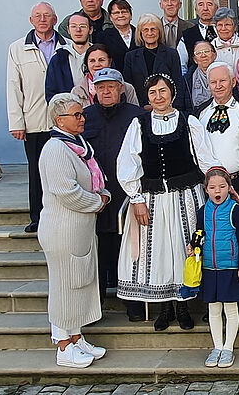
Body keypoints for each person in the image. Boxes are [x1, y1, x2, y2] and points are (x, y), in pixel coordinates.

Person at [116, 74, 220, 329]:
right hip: (152, 199)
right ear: (147, 97)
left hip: (186, 196)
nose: (158, 97)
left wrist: (217, 185)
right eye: (153, 93)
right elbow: (128, 163)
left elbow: (205, 159)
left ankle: (183, 306)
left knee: (185, 248)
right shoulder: (139, 124)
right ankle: (165, 308)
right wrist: (136, 199)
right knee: (160, 250)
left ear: (172, 93)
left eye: (162, 91)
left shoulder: (188, 121)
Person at [38, 93, 110, 368]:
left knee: (78, 282)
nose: (83, 118)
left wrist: (101, 194)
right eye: (77, 115)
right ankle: (63, 344)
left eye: (82, 114)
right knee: (63, 285)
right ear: (60, 120)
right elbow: (67, 192)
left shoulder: (76, 146)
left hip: (80, 228)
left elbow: (93, 179)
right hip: (62, 229)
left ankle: (76, 336)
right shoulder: (55, 149)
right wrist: (98, 202)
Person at [194, 62, 239, 323]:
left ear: (233, 81)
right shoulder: (198, 114)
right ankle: (213, 301)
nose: (218, 86)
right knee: (211, 244)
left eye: (223, 81)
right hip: (209, 187)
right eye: (213, 82)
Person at [80, 67, 144, 306]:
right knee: (99, 252)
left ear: (120, 88)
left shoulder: (136, 116)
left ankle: (134, 305)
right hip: (97, 198)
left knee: (131, 251)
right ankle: (96, 305)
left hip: (128, 197)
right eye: (100, 87)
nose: (106, 91)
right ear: (94, 90)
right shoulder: (85, 117)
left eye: (110, 86)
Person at [6, 1, 67, 233]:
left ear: (55, 19)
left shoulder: (67, 46)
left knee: (62, 169)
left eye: (47, 15)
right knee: (36, 171)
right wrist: (16, 122)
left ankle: (60, 214)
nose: (43, 19)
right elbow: (13, 87)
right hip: (33, 121)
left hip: (63, 121)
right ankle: (37, 218)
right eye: (38, 16)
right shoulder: (17, 48)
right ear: (31, 21)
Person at [191, 168, 239, 368]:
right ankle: (217, 347)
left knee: (230, 309)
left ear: (229, 187)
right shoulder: (202, 211)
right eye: (213, 187)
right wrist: (194, 246)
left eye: (222, 186)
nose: (218, 191)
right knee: (214, 309)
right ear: (206, 189)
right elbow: (199, 234)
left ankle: (228, 349)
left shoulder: (235, 210)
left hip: (230, 267)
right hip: (209, 268)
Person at [123, 13, 190, 113]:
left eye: (153, 29)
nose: (150, 33)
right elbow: (129, 86)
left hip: (167, 108)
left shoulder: (171, 54)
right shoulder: (131, 57)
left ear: (159, 31)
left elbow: (177, 83)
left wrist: (172, 107)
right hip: (140, 109)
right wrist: (142, 106)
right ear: (140, 33)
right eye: (146, 29)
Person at [71, 44, 139, 107]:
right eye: (92, 61)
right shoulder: (77, 91)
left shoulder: (127, 88)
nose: (97, 64)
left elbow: (135, 113)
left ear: (109, 62)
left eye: (101, 60)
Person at [45, 13, 92, 102]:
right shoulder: (58, 58)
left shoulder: (101, 56)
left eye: (83, 26)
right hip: (68, 113)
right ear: (68, 30)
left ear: (90, 29)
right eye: (73, 26)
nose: (78, 30)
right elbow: (51, 93)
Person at [178, 0, 219, 72]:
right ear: (196, 10)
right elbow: (182, 65)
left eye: (209, 4)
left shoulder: (224, 31)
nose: (205, 8)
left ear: (217, 8)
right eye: (201, 5)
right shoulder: (187, 36)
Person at [96, 0, 137, 71]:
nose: (121, 15)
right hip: (114, 79)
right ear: (110, 17)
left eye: (124, 12)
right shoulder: (103, 37)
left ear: (131, 15)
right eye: (116, 13)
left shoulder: (141, 34)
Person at [185, 40, 217, 108]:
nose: (203, 55)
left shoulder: (225, 74)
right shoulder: (186, 80)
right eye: (198, 53)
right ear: (195, 59)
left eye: (207, 51)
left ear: (214, 55)